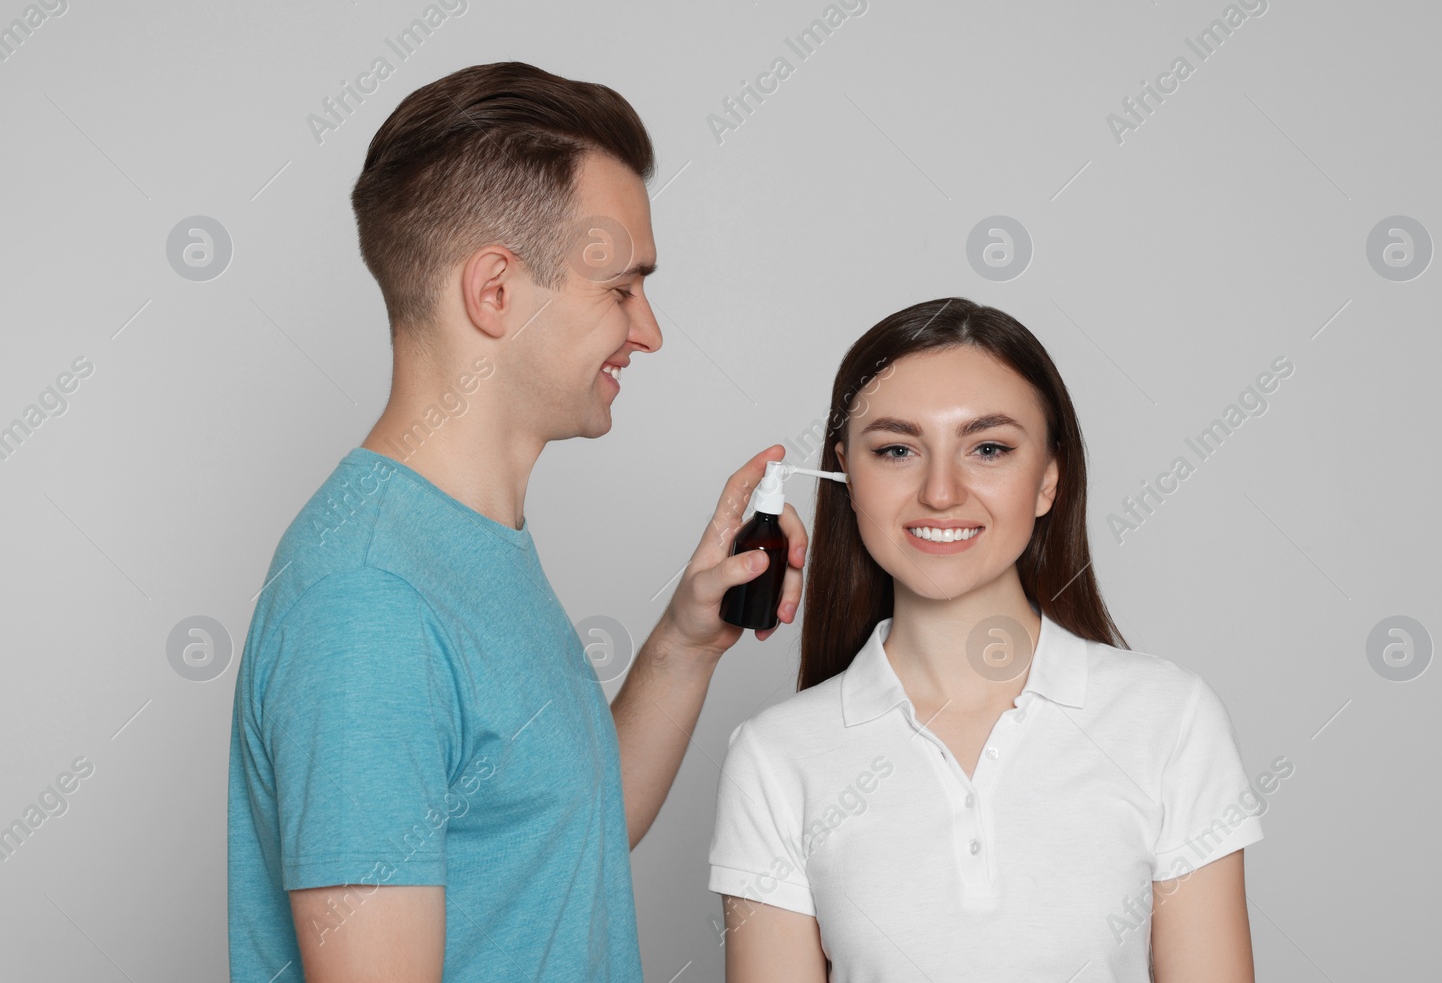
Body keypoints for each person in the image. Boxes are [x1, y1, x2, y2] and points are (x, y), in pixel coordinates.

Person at [227, 61, 809, 982]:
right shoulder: (367, 601)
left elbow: (559, 838)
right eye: (620, 288)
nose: (648, 330)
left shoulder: (467, 545)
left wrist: (687, 642)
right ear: (495, 290)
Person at [709, 298, 1264, 981]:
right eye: (896, 449)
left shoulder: (1170, 720)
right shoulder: (775, 757)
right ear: (847, 475)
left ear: (1048, 479)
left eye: (989, 448)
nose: (941, 492)